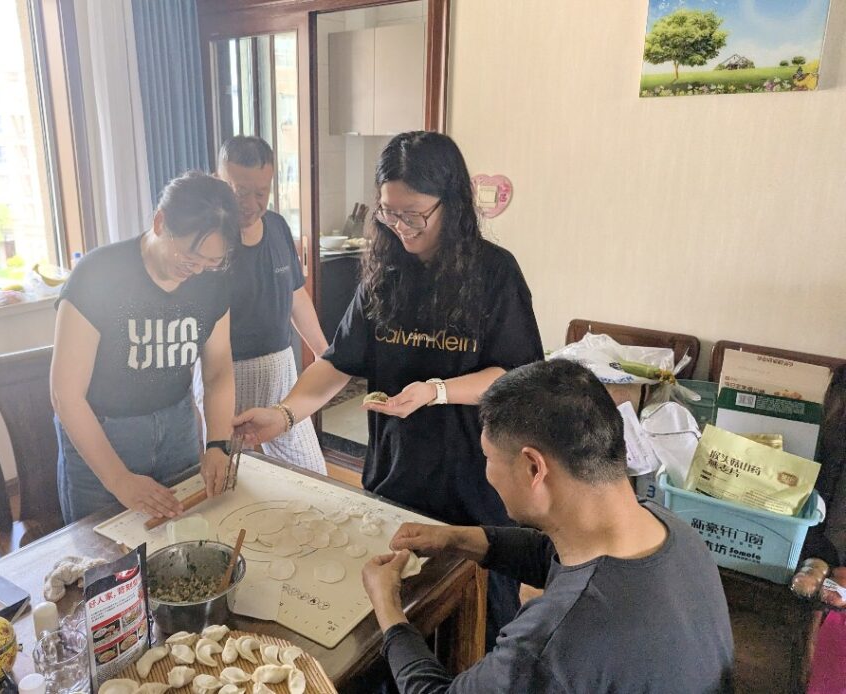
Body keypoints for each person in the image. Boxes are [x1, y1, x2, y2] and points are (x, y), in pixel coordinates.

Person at [234, 131, 544, 639]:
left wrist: (437, 390)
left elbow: (513, 376)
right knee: (393, 621)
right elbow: (338, 361)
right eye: (388, 213)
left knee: (476, 627)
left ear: (453, 203)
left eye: (414, 214)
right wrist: (284, 414)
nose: (400, 227)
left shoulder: (494, 273)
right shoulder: (385, 273)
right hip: (395, 479)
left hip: (474, 487)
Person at [361, 359, 735, 693]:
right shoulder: (670, 530)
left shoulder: (548, 645)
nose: (486, 470)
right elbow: (556, 557)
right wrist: (457, 538)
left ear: (533, 468)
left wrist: (390, 610)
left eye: (488, 458)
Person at [51, 171, 239, 524]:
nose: (196, 270)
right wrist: (119, 480)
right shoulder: (99, 274)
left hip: (178, 428)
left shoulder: (212, 281)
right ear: (159, 222)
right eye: (189, 256)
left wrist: (217, 444)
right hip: (106, 434)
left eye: (210, 262)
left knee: (184, 540)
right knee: (105, 561)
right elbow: (66, 395)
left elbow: (217, 371)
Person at [215, 135, 328, 474]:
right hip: (225, 375)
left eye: (260, 192)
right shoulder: (208, 241)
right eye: (239, 191)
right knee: (229, 479)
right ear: (219, 180)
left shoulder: (277, 226)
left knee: (311, 475)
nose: (250, 203)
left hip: (281, 368)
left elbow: (295, 295)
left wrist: (326, 354)